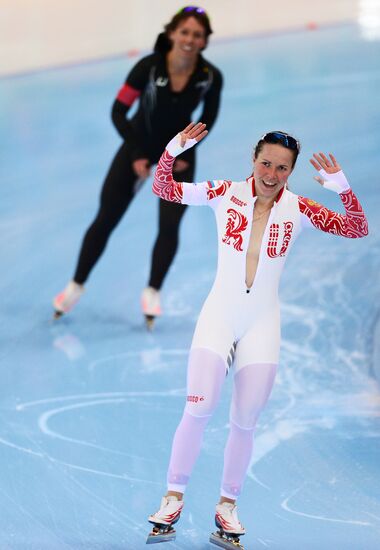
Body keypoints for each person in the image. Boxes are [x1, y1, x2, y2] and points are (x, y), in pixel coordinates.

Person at [146, 122, 368, 546]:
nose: (271, 174)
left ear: (291, 172)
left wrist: (342, 187)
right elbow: (163, 187)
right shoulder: (221, 192)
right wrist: (173, 148)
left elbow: (357, 227)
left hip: (262, 325)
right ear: (253, 159)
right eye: (266, 163)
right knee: (199, 407)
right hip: (219, 317)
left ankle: (227, 507)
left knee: (245, 422)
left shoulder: (300, 208)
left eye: (282, 168)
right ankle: (172, 498)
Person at [52, 6, 223, 324]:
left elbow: (208, 120)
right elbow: (118, 111)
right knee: (106, 219)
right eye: (184, 32)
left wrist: (183, 154)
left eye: (197, 35)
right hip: (137, 146)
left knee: (170, 226)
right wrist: (136, 154)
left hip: (180, 156)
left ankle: (153, 291)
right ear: (172, 33)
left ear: (205, 41)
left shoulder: (210, 77)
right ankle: (75, 285)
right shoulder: (147, 67)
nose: (189, 39)